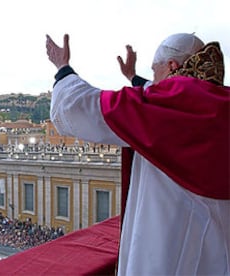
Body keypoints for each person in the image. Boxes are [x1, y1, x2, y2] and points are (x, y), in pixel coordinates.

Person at [46, 33, 229, 275]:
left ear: (173, 66)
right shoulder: (219, 101)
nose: (153, 81)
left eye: (155, 71)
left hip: (172, 246)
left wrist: (62, 68)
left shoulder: (167, 104)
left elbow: (79, 107)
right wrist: (133, 77)